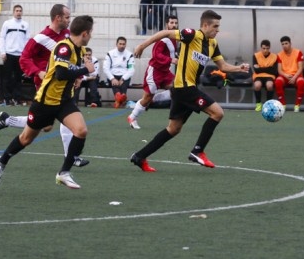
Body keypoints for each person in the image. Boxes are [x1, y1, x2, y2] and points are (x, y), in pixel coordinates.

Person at [130, 10, 250, 172]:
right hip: (184, 87)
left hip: (184, 90)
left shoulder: (213, 44)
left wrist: (238, 68)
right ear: (205, 25)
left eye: (219, 27)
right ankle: (198, 151)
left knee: (173, 129)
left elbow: (222, 66)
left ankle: (139, 156)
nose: (218, 30)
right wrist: (142, 45)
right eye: (215, 26)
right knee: (217, 113)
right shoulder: (192, 35)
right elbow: (165, 33)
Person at [0, 15, 95, 189]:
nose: (91, 36)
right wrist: (84, 70)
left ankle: (64, 173)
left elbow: (72, 71)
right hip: (45, 102)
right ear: (84, 33)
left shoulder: (81, 50)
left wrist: (79, 76)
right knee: (25, 139)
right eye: (90, 33)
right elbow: (61, 73)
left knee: (81, 130)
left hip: (64, 101)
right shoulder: (64, 48)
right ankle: (2, 161)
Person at [127, 15, 178, 129]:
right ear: (166, 24)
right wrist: (171, 60)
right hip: (154, 72)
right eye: (171, 23)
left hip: (165, 72)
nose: (174, 25)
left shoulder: (174, 38)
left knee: (178, 86)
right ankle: (132, 117)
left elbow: (170, 53)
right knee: (147, 98)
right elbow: (156, 54)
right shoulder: (163, 38)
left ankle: (175, 114)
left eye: (175, 23)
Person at [0, 4, 30, 106]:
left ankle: (17, 99)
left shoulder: (25, 25)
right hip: (9, 54)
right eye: (17, 11)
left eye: (20, 11)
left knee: (18, 78)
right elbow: (2, 38)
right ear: (13, 12)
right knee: (7, 77)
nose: (18, 12)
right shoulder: (7, 24)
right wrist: (3, 52)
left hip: (20, 55)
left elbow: (27, 40)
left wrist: (26, 55)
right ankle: (7, 99)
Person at [275, 35, 304, 112]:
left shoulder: (298, 52)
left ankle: (297, 106)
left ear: (290, 43)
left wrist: (294, 77)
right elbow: (279, 70)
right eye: (283, 44)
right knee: (278, 81)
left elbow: (301, 68)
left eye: (286, 43)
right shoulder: (279, 55)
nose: (284, 45)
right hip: (285, 76)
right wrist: (286, 76)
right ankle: (283, 105)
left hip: (296, 75)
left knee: (301, 82)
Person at [103, 36, 135, 108]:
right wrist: (112, 78)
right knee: (115, 83)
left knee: (124, 82)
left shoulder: (129, 55)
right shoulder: (110, 54)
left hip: (124, 75)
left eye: (123, 44)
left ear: (125, 45)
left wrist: (123, 78)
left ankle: (118, 99)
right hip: (113, 75)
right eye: (120, 44)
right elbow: (105, 68)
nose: (122, 46)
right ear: (116, 44)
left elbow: (131, 69)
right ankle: (121, 99)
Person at [252, 39, 278, 112]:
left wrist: (261, 67)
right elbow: (256, 70)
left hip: (270, 76)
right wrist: (268, 68)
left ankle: (268, 104)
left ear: (269, 48)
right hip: (258, 76)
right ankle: (258, 104)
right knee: (257, 85)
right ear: (261, 48)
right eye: (263, 48)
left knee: (269, 85)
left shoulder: (274, 56)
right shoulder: (255, 56)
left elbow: (274, 71)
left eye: (267, 48)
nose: (265, 50)